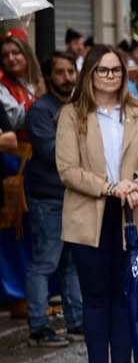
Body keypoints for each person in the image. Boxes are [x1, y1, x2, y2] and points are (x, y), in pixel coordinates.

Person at [54, 44, 138, 363]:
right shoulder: (73, 114)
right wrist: (108, 187)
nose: (109, 77)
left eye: (116, 70)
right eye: (102, 70)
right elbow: (67, 169)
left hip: (131, 216)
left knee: (126, 298)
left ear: (124, 74)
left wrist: (135, 183)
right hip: (89, 215)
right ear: (90, 74)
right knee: (96, 299)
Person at [21, 52, 83, 346]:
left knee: (72, 263)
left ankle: (77, 322)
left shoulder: (78, 107)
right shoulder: (40, 111)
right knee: (44, 263)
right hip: (49, 198)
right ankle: (39, 326)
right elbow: (50, 152)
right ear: (48, 77)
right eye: (60, 72)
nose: (68, 77)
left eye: (71, 71)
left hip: (76, 196)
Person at [0, 32, 41, 315]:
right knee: (15, 229)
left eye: (16, 52)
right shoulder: (3, 87)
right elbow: (15, 121)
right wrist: (37, 103)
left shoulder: (36, 83)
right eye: (6, 55)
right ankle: (16, 293)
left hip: (39, 165)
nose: (12, 59)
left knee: (36, 231)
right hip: (14, 164)